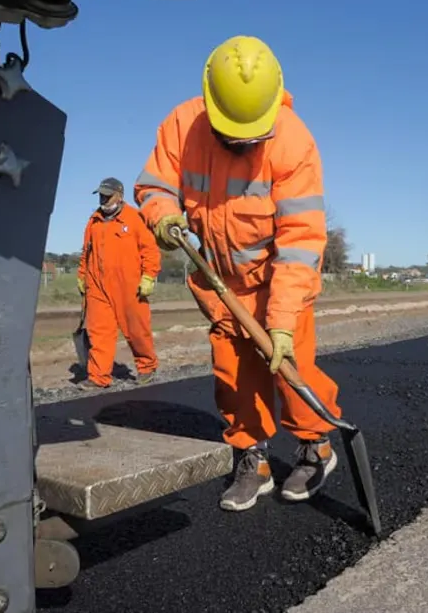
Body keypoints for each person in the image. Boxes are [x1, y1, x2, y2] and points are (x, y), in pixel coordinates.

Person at [133, 35, 342, 512]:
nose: (243, 142)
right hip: (220, 281)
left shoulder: (293, 140)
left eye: (252, 136)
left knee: (292, 369)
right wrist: (163, 216)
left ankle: (316, 446)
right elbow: (153, 185)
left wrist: (283, 318)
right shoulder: (182, 126)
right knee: (234, 377)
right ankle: (253, 459)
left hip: (277, 280)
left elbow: (302, 239)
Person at [76, 177, 161, 390]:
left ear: (119, 195)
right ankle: (98, 377)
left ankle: (147, 367)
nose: (104, 199)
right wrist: (82, 275)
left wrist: (149, 276)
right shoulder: (93, 220)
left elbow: (150, 250)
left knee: (137, 329)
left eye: (108, 195)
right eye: (101, 195)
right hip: (97, 284)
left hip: (129, 285)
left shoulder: (134, 218)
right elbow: (86, 252)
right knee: (98, 332)